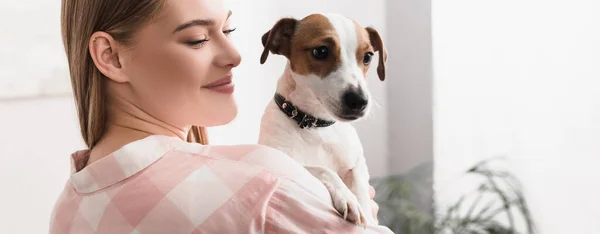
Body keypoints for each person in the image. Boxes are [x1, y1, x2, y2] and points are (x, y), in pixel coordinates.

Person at [49, 0, 394, 233]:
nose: (235, 55)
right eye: (197, 39)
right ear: (110, 57)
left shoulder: (67, 208)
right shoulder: (268, 187)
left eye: (228, 31)